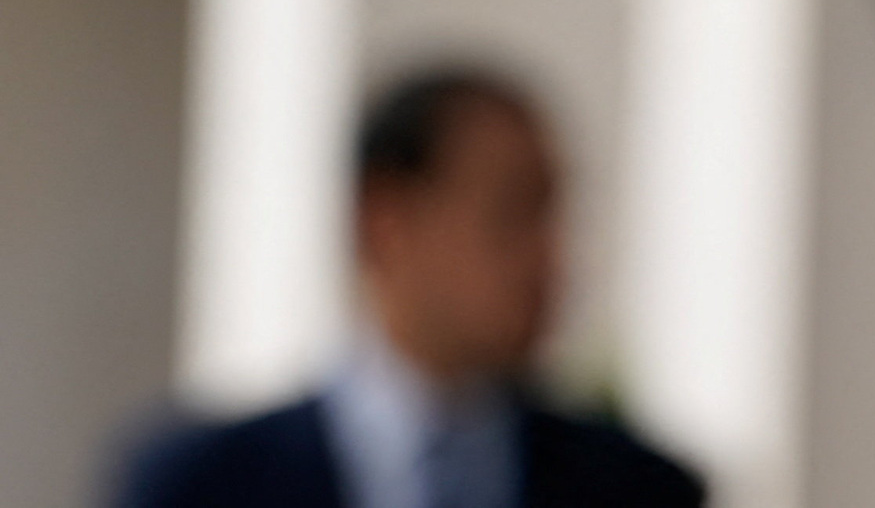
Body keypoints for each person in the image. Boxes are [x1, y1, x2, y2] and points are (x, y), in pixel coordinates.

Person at [118, 65, 703, 508]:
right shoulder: (202, 484)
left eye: (554, 217)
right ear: (386, 223)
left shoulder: (639, 489)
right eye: (513, 213)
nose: (550, 260)